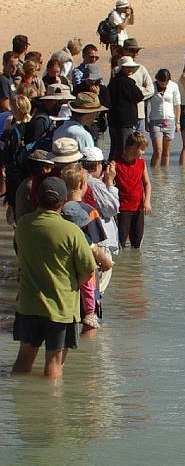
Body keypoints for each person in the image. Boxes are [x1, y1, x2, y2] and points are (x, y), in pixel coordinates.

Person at [11, 176, 96, 378]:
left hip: (28, 305)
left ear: (38, 199)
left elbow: (19, 252)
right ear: (63, 202)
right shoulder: (72, 231)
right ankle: (51, 405)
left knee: (23, 360)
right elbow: (88, 270)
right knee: (54, 362)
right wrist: (73, 285)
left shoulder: (23, 225)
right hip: (61, 307)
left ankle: (19, 405)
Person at [60, 163, 112, 331]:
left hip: (63, 273)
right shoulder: (90, 212)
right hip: (87, 276)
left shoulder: (58, 211)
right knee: (90, 323)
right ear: (83, 185)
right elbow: (95, 247)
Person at [81, 146, 120, 295]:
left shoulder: (78, 178)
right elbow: (112, 208)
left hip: (88, 239)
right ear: (97, 165)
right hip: (99, 241)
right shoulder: (94, 183)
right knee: (96, 290)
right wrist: (109, 183)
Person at [114, 131, 151, 249]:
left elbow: (147, 183)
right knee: (120, 243)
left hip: (139, 208)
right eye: (142, 149)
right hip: (123, 209)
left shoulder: (141, 163)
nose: (143, 153)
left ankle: (135, 267)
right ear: (133, 147)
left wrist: (147, 201)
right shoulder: (116, 164)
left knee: (137, 244)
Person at [107, 56, 144, 160]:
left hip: (113, 120)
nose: (130, 69)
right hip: (125, 121)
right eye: (128, 67)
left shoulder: (112, 82)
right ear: (122, 68)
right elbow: (139, 96)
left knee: (114, 148)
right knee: (124, 149)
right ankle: (121, 171)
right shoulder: (128, 82)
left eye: (131, 67)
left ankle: (112, 169)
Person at [147, 68, 181, 168]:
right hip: (155, 121)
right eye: (161, 83)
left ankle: (165, 178)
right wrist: (146, 122)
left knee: (166, 152)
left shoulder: (173, 86)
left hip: (169, 121)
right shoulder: (152, 87)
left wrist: (178, 122)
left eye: (166, 83)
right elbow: (145, 105)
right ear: (157, 79)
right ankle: (154, 174)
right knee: (158, 150)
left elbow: (177, 105)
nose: (163, 85)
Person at [119, 38, 154, 132]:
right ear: (124, 51)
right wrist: (139, 90)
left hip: (140, 114)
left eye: (137, 51)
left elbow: (151, 90)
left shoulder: (141, 69)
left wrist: (135, 94)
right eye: (132, 50)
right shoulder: (117, 69)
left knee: (140, 144)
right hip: (125, 116)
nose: (135, 53)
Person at [73, 63, 110, 144]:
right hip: (81, 124)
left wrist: (97, 95)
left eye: (94, 79)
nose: (92, 82)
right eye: (89, 80)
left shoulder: (103, 89)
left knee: (96, 151)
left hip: (98, 125)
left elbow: (106, 107)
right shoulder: (78, 89)